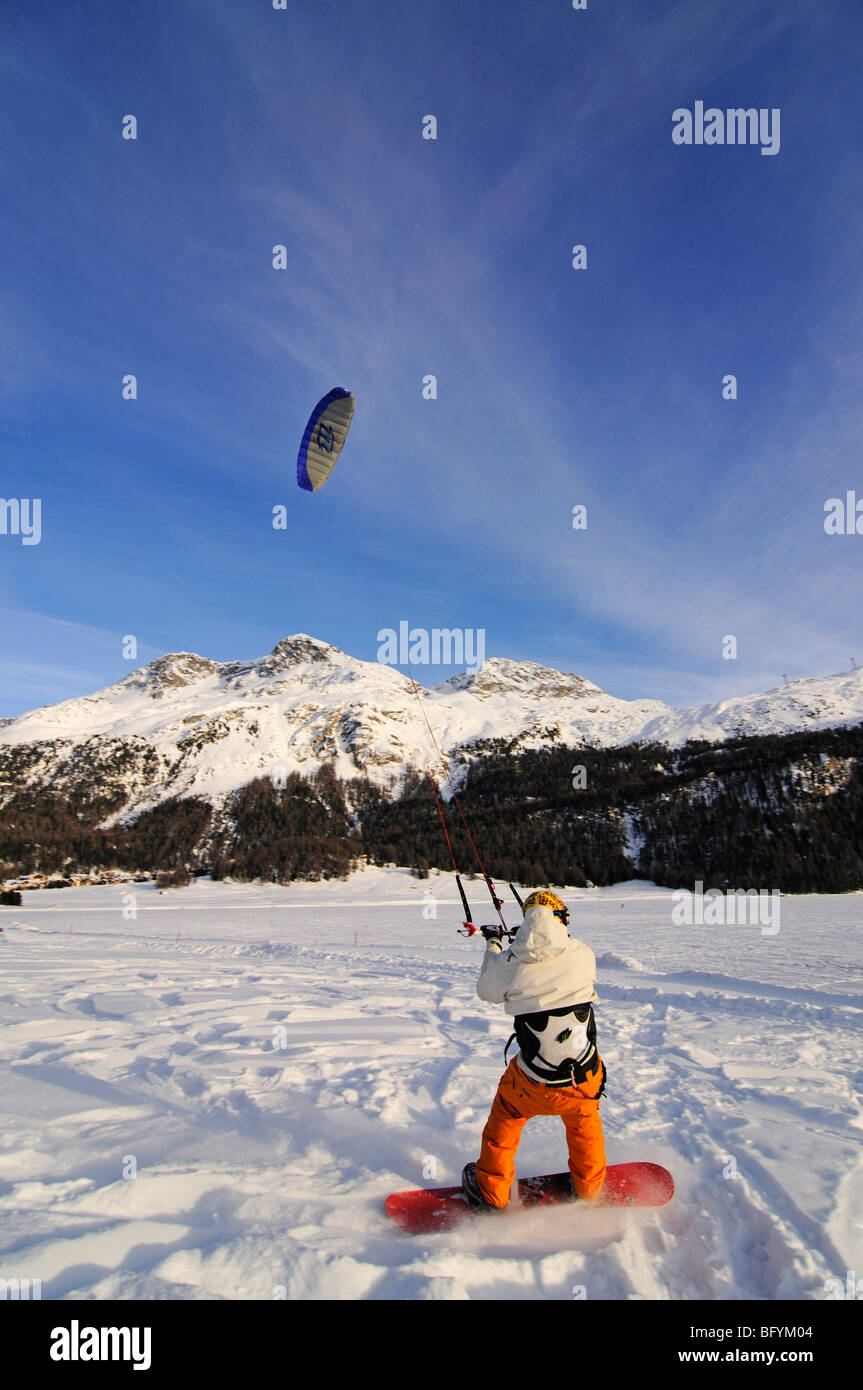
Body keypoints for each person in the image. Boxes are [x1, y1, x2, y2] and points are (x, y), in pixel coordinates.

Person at [462, 889, 607, 1211]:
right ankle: (589, 1187)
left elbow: (487, 990)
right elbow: (554, 951)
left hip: (531, 1083)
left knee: (505, 1121)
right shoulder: (583, 953)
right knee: (585, 1124)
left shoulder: (510, 962)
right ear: (562, 919)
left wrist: (494, 944)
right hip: (582, 1078)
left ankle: (492, 1191)